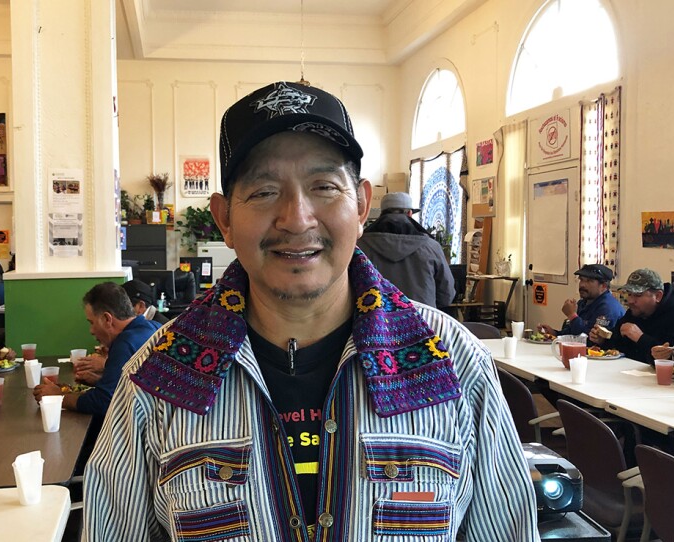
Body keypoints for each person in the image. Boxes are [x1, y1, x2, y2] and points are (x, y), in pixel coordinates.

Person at [82, 81, 537, 540]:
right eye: (263, 191)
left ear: (360, 204)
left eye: (323, 186)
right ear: (224, 219)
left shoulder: (455, 363)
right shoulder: (155, 380)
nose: (297, 218)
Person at [33, 282, 160, 416]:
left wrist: (59, 397)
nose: (91, 331)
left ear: (107, 319)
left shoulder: (125, 343)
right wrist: (101, 382)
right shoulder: (153, 326)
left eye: (92, 323)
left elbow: (104, 402)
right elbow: (132, 390)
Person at [357, 191, 455, 308]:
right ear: (409, 214)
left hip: (374, 321)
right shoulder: (431, 247)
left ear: (381, 214)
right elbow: (446, 296)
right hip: (420, 322)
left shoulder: (360, 245)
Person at [589, 268, 674, 363]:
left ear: (658, 296)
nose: (630, 301)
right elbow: (617, 347)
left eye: (638, 295)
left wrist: (640, 338)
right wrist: (602, 341)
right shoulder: (634, 312)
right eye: (629, 294)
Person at [537, 263, 625, 338]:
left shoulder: (608, 308)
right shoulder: (584, 302)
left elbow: (589, 340)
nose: (582, 285)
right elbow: (572, 334)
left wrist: (572, 316)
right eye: (581, 280)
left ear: (603, 286)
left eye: (589, 281)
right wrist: (554, 334)